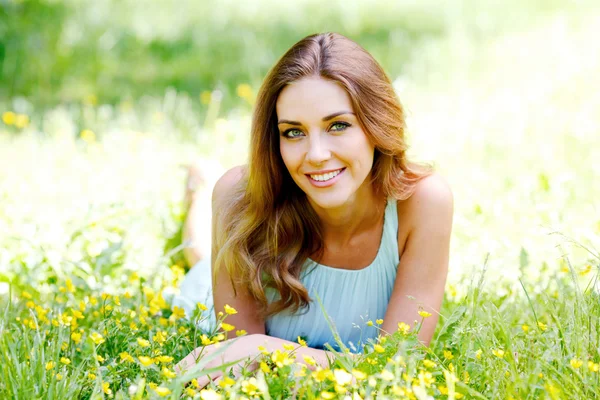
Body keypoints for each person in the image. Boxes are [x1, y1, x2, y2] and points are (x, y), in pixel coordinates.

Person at [173, 32, 454, 385]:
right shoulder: (236, 198)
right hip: (210, 281)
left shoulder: (423, 202)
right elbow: (235, 360)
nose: (317, 154)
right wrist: (253, 351)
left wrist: (263, 350)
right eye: (293, 132)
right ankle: (201, 188)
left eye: (338, 125)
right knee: (199, 257)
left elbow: (397, 371)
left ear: (375, 124)